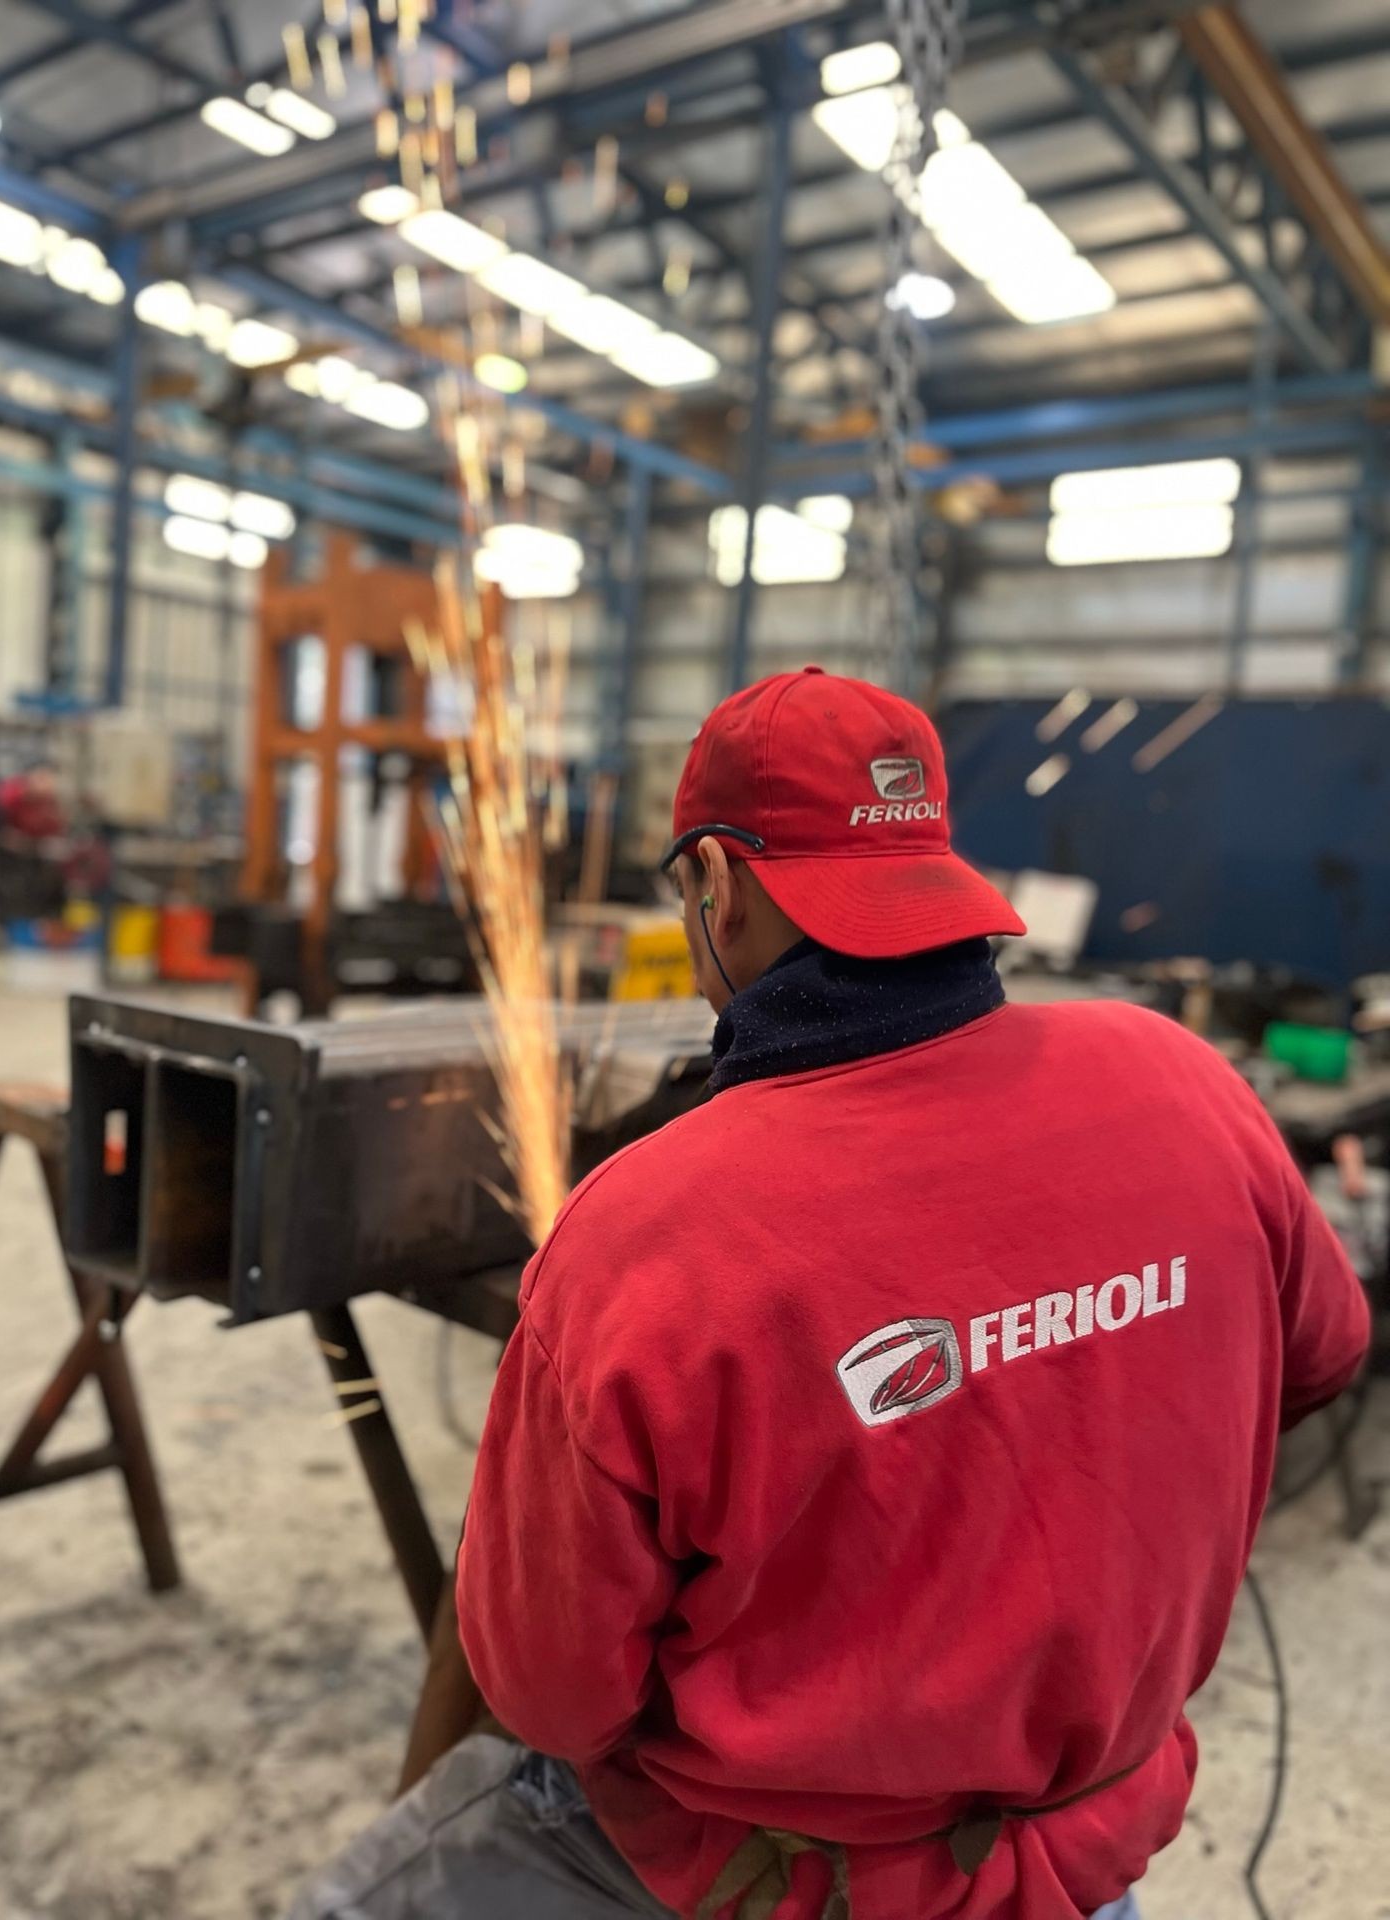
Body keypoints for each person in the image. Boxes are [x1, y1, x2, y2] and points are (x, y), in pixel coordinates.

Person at [290, 669, 1369, 1920]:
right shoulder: (1182, 1079)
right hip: (1087, 1850)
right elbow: (1322, 1355)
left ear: (719, 888)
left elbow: (551, 1695)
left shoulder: (646, 1233)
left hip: (787, 1876)